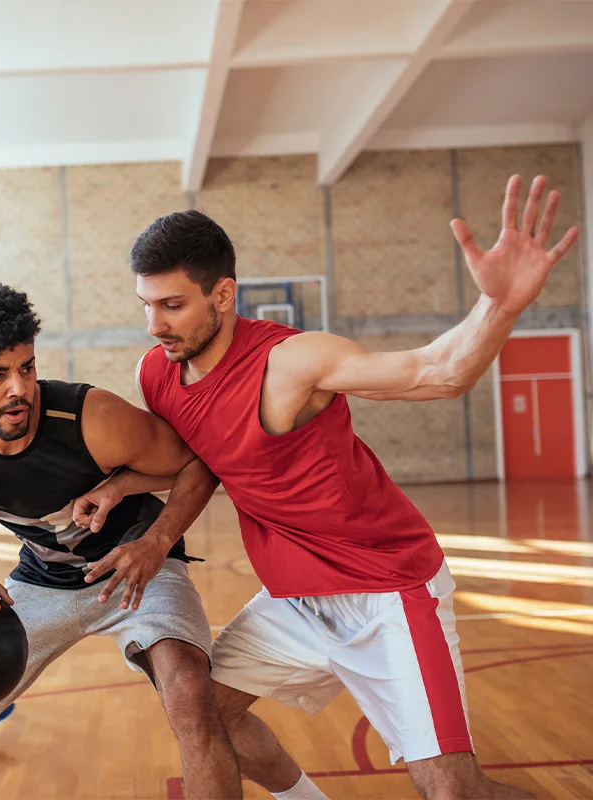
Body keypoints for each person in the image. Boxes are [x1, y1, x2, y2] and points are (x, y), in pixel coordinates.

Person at [73, 175, 579, 800]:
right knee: (204, 718)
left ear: (223, 294)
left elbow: (438, 371)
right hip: (294, 596)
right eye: (146, 305)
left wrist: (498, 306)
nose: (154, 325)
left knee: (453, 791)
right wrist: (122, 485)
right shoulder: (158, 372)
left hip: (386, 590)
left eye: (172, 305)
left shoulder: (293, 362)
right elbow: (199, 460)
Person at [0, 282, 241, 800]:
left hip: (137, 565)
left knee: (191, 692)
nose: (18, 389)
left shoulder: (88, 416)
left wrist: (157, 540)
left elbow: (196, 462)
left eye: (26, 368)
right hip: (43, 579)